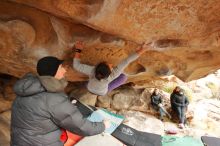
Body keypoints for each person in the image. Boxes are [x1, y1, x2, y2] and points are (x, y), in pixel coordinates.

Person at [11, 56, 110, 146]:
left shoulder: (25, 91)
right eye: (61, 67)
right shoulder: (53, 98)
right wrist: (103, 126)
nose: (64, 70)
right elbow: (81, 126)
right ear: (53, 72)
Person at [73, 41, 152, 96]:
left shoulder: (92, 70)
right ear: (109, 73)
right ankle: (86, 86)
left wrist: (78, 49)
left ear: (97, 67)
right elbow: (126, 61)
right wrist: (142, 49)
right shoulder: (112, 76)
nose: (111, 64)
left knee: (123, 76)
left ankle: (84, 86)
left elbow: (76, 65)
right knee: (123, 77)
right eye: (111, 66)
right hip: (101, 92)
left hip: (90, 88)